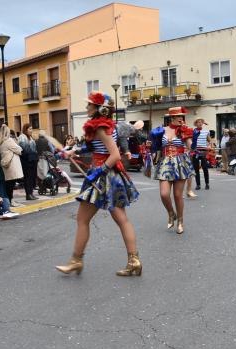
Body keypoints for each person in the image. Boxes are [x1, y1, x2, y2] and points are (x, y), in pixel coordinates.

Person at [56, 91, 140, 276]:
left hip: (104, 176)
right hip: (109, 176)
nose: (86, 107)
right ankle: (133, 261)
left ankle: (76, 261)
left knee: (83, 220)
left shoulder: (101, 127)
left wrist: (98, 173)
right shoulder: (105, 127)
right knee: (121, 220)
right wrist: (74, 151)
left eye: (89, 105)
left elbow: (115, 154)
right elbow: (94, 146)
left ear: (99, 109)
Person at [150, 106, 194, 234]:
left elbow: (191, 146)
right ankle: (171, 213)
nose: (181, 119)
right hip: (164, 163)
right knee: (164, 194)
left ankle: (180, 221)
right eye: (179, 116)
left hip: (180, 163)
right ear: (172, 118)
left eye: (182, 117)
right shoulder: (161, 130)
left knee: (177, 195)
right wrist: (152, 152)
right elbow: (155, 146)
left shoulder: (184, 130)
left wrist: (188, 135)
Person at [0, 124, 24, 207]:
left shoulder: (1, 142)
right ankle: (11, 200)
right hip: (12, 165)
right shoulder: (9, 141)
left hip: (6, 165)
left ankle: (10, 200)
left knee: (9, 183)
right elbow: (19, 149)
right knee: (11, 184)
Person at [18, 124, 39, 200]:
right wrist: (33, 154)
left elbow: (35, 149)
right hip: (26, 161)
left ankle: (31, 193)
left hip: (32, 160)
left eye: (31, 129)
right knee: (28, 178)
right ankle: (28, 194)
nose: (31, 130)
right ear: (25, 129)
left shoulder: (30, 138)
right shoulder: (22, 137)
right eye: (30, 129)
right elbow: (25, 149)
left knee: (32, 177)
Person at [191, 118, 211, 190]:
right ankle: (198, 185)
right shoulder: (193, 131)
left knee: (205, 168)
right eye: (198, 122)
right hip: (195, 151)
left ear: (202, 123)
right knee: (196, 169)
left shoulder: (206, 131)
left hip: (203, 151)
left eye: (201, 122)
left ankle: (207, 183)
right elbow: (190, 141)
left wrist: (209, 145)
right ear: (195, 124)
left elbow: (209, 141)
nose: (199, 123)